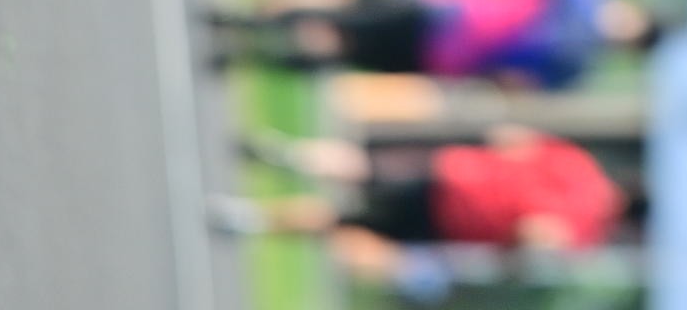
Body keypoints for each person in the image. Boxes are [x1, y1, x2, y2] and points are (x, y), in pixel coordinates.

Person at [217, 124, 634, 295]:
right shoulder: (586, 232)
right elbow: (536, 235)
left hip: (454, 171)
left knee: (361, 167)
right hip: (451, 221)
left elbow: (512, 139)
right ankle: (253, 219)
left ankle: (293, 156)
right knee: (342, 221)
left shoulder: (579, 163)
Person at [211, 0, 660, 84]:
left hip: (446, 10)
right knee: (348, 43)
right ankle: (252, 50)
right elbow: (510, 84)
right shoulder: (578, 66)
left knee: (346, 13)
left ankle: (249, 22)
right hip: (446, 50)